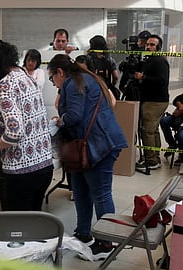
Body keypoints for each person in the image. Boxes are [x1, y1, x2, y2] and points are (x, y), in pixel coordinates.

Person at [47, 54, 127, 261]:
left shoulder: (74, 83)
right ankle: (84, 233)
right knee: (82, 191)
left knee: (101, 194)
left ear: (60, 72)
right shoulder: (86, 78)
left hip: (99, 145)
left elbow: (74, 116)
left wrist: (59, 121)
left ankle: (107, 243)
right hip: (90, 144)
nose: (53, 83)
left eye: (52, 78)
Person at [0, 37, 54, 212]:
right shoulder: (25, 76)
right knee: (31, 224)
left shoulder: (4, 85)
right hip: (44, 166)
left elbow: (14, 133)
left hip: (21, 172)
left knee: (15, 231)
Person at [134, 34, 170, 172]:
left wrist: (144, 77)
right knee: (153, 131)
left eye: (152, 45)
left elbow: (162, 81)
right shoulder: (151, 60)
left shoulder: (159, 61)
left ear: (158, 47)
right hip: (152, 99)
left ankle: (152, 160)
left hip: (155, 101)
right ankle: (154, 157)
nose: (148, 47)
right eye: (147, 44)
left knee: (147, 131)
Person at [87, 35, 120, 100]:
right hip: (106, 90)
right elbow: (116, 77)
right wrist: (112, 86)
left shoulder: (88, 59)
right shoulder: (110, 60)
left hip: (91, 90)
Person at [160, 93, 183, 165]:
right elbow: (176, 99)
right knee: (163, 121)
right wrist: (179, 105)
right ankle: (172, 144)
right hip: (180, 118)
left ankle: (182, 157)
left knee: (181, 135)